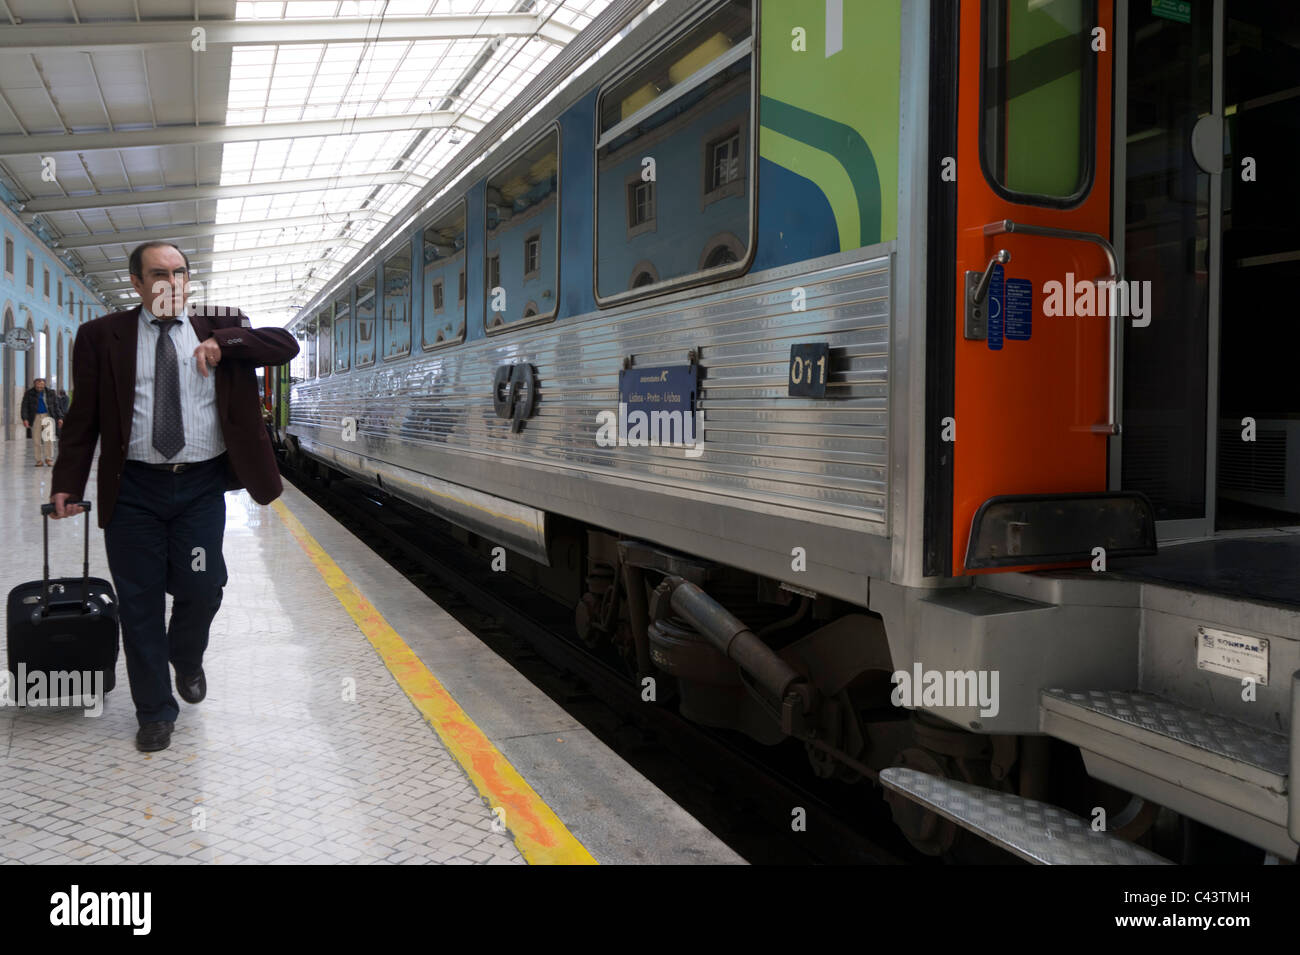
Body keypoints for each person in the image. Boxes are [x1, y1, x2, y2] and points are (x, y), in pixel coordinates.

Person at [49, 241, 299, 752]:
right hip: (134, 488)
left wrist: (223, 346)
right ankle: (155, 711)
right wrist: (68, 483)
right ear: (137, 284)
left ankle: (186, 656)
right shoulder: (102, 336)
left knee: (201, 586)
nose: (172, 282)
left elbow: (285, 344)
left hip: (200, 485)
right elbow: (83, 420)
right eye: (158, 274)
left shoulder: (218, 323)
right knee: (138, 603)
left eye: (180, 272)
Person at [20, 377, 62, 466]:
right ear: (35, 384)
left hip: (48, 416)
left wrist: (60, 417)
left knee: (49, 439)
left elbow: (56, 406)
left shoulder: (50, 393)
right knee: (36, 440)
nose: (40, 386)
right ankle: (38, 460)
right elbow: (24, 407)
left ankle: (48, 458)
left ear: (44, 384)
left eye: (42, 384)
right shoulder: (29, 393)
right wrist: (25, 419)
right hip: (35, 417)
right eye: (38, 385)